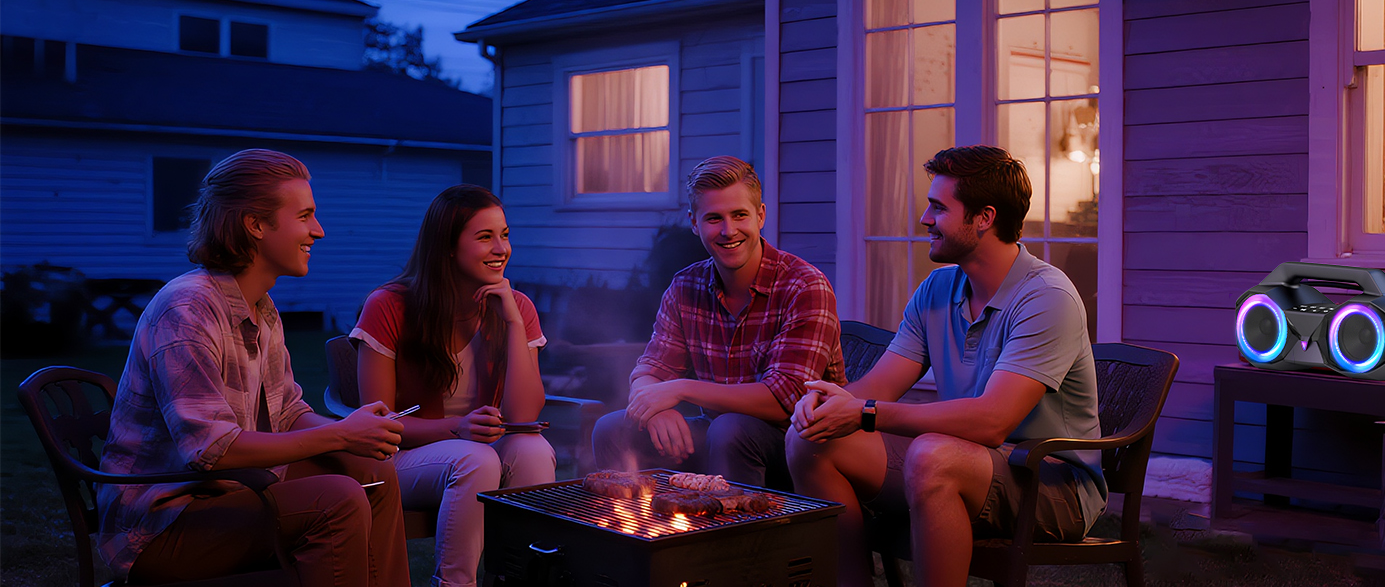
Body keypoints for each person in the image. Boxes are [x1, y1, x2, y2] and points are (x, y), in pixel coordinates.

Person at [787, 145, 1105, 587]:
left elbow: (993, 422)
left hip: (1051, 485)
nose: (924, 218)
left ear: (984, 217)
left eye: (938, 207)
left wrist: (865, 414)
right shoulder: (938, 288)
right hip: (957, 461)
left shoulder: (1046, 297)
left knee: (933, 455)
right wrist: (829, 402)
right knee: (810, 440)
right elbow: (880, 385)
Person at [98, 149, 411, 587]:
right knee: (334, 498)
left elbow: (287, 412)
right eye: (304, 216)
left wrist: (358, 433)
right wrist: (341, 433)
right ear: (256, 224)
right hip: (161, 525)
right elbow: (213, 450)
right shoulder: (187, 310)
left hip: (229, 494)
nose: (318, 231)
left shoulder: (261, 310)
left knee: (372, 473)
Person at [591, 155, 845, 488]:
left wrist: (680, 389)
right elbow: (649, 371)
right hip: (722, 438)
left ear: (761, 215)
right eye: (714, 218)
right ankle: (642, 534)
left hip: (804, 447)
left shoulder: (804, 285)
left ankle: (739, 537)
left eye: (739, 215)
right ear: (694, 223)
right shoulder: (686, 286)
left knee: (730, 430)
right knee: (611, 429)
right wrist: (653, 406)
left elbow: (786, 398)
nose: (728, 230)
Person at [352, 184, 556, 587]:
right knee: (475, 459)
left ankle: (521, 581)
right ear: (446, 246)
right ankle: (454, 584)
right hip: (402, 458)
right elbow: (374, 426)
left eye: (505, 234)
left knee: (533, 449)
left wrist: (514, 323)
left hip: (479, 450)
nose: (501, 248)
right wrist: (457, 429)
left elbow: (524, 415)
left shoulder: (517, 308)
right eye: (485, 237)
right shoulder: (391, 305)